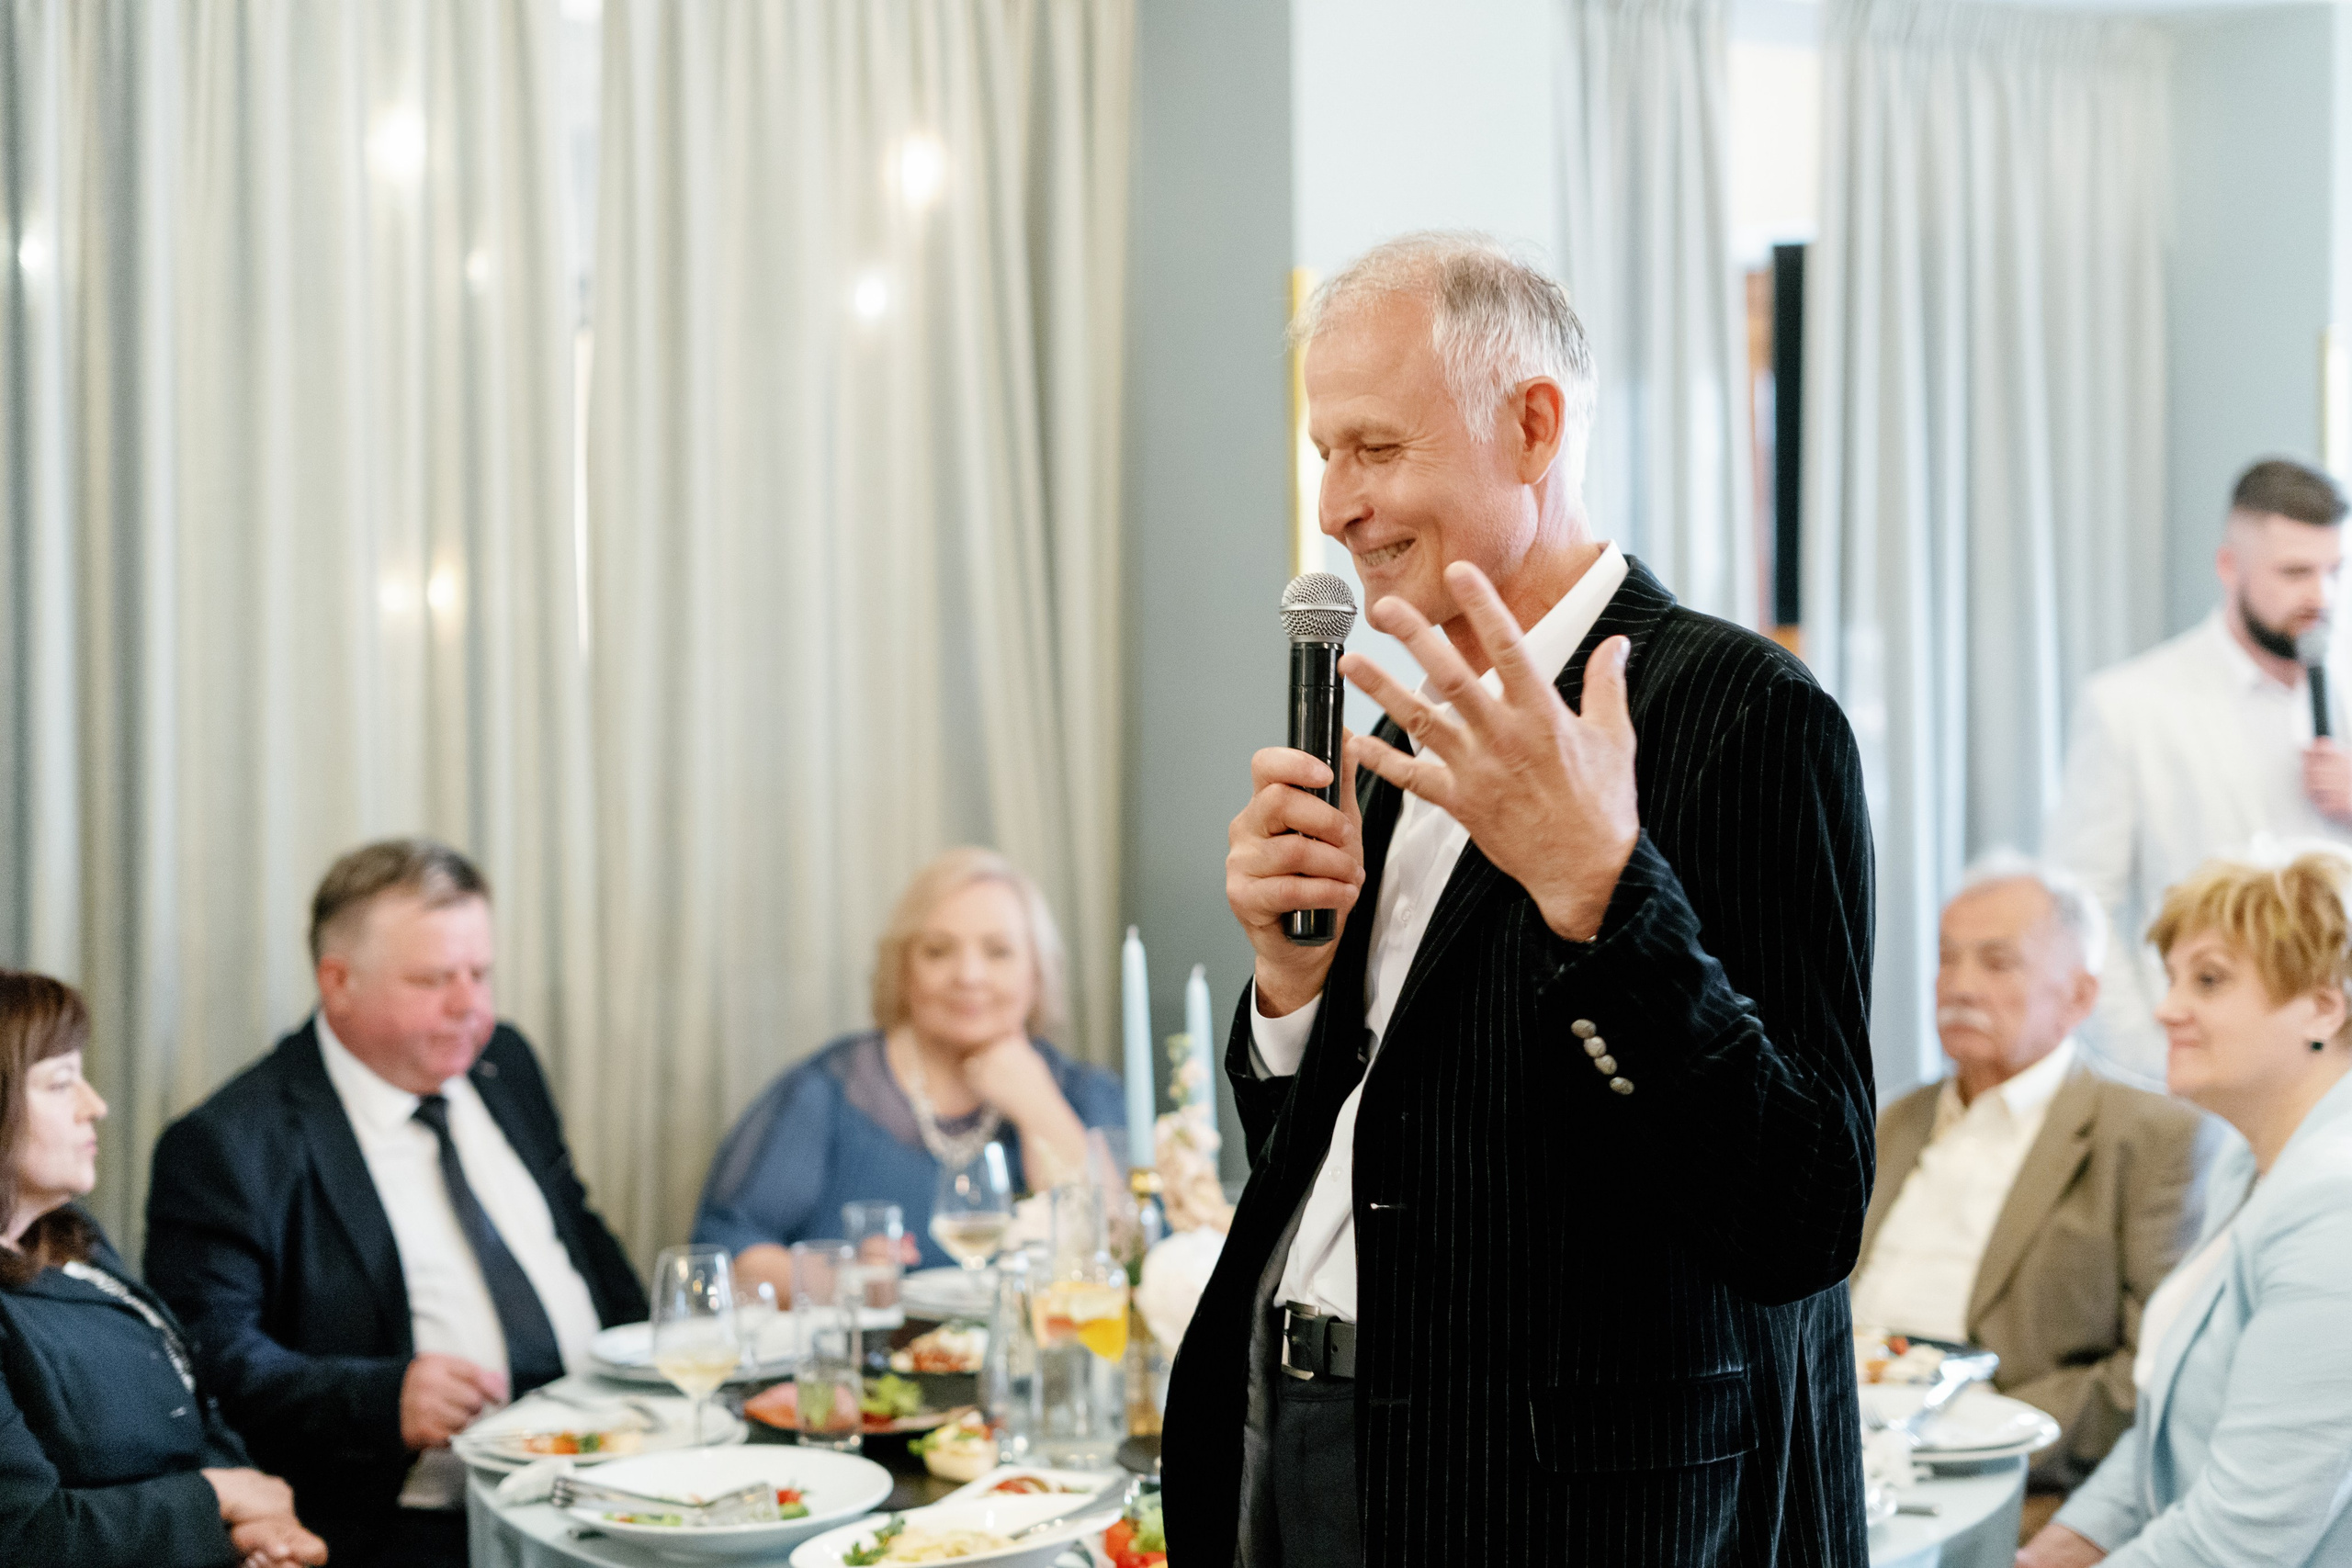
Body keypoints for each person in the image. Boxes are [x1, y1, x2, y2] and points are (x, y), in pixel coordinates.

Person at [1161, 233, 1878, 1566]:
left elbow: (1805, 1207)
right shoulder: (1400, 733)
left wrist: (1605, 892)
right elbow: (1360, 1142)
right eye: (1327, 454)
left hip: (1559, 1507)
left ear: (1534, 426)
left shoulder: (1746, 715)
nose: (1334, 505)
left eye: (1372, 450)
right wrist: (1292, 991)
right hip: (1306, 1433)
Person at [143, 840, 647, 1568]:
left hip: (608, 1478)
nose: (469, 1005)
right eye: (433, 979)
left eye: (480, 973)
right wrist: (379, 1398)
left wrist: (653, 1358)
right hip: (412, 1527)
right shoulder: (231, 1143)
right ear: (338, 981)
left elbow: (576, 1228)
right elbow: (210, 1363)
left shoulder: (504, 1061)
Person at [1850, 853, 2215, 1517]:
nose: (1958, 985)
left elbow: (2156, 1372)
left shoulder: (2153, 1136)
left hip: (2014, 1477)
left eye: (1996, 963)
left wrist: (1959, 1431)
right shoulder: (1890, 1120)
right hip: (1842, 1451)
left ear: (2078, 995)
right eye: (1946, 957)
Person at [2018, 850, 2352, 1567]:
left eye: (2209, 979)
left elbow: (2243, 1540)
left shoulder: (2336, 1208)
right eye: (2171, 978)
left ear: (2324, 1005)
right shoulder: (2248, 1164)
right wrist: (2059, 1547)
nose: (2167, 1007)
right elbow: (2168, 1431)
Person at [0, 970, 326, 1568]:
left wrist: (260, 1527)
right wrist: (220, 1497)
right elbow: (25, 1539)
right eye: (61, 1082)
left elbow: (189, 1397)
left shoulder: (69, 1234)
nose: (94, 1106)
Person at [693, 846, 1125, 1290]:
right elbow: (728, 1247)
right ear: (902, 970)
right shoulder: (825, 1092)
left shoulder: (1087, 1095)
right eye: (938, 952)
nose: (969, 975)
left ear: (1037, 972)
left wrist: (1039, 1108)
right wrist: (844, 1281)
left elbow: (1125, 1259)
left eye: (999, 952)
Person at [2050, 457, 2351, 1081]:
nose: (2320, 596)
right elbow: (2082, 910)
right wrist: (2156, 1062)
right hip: (2198, 1083)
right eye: (2295, 572)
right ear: (2229, 567)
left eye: (2335, 571)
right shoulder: (2131, 706)